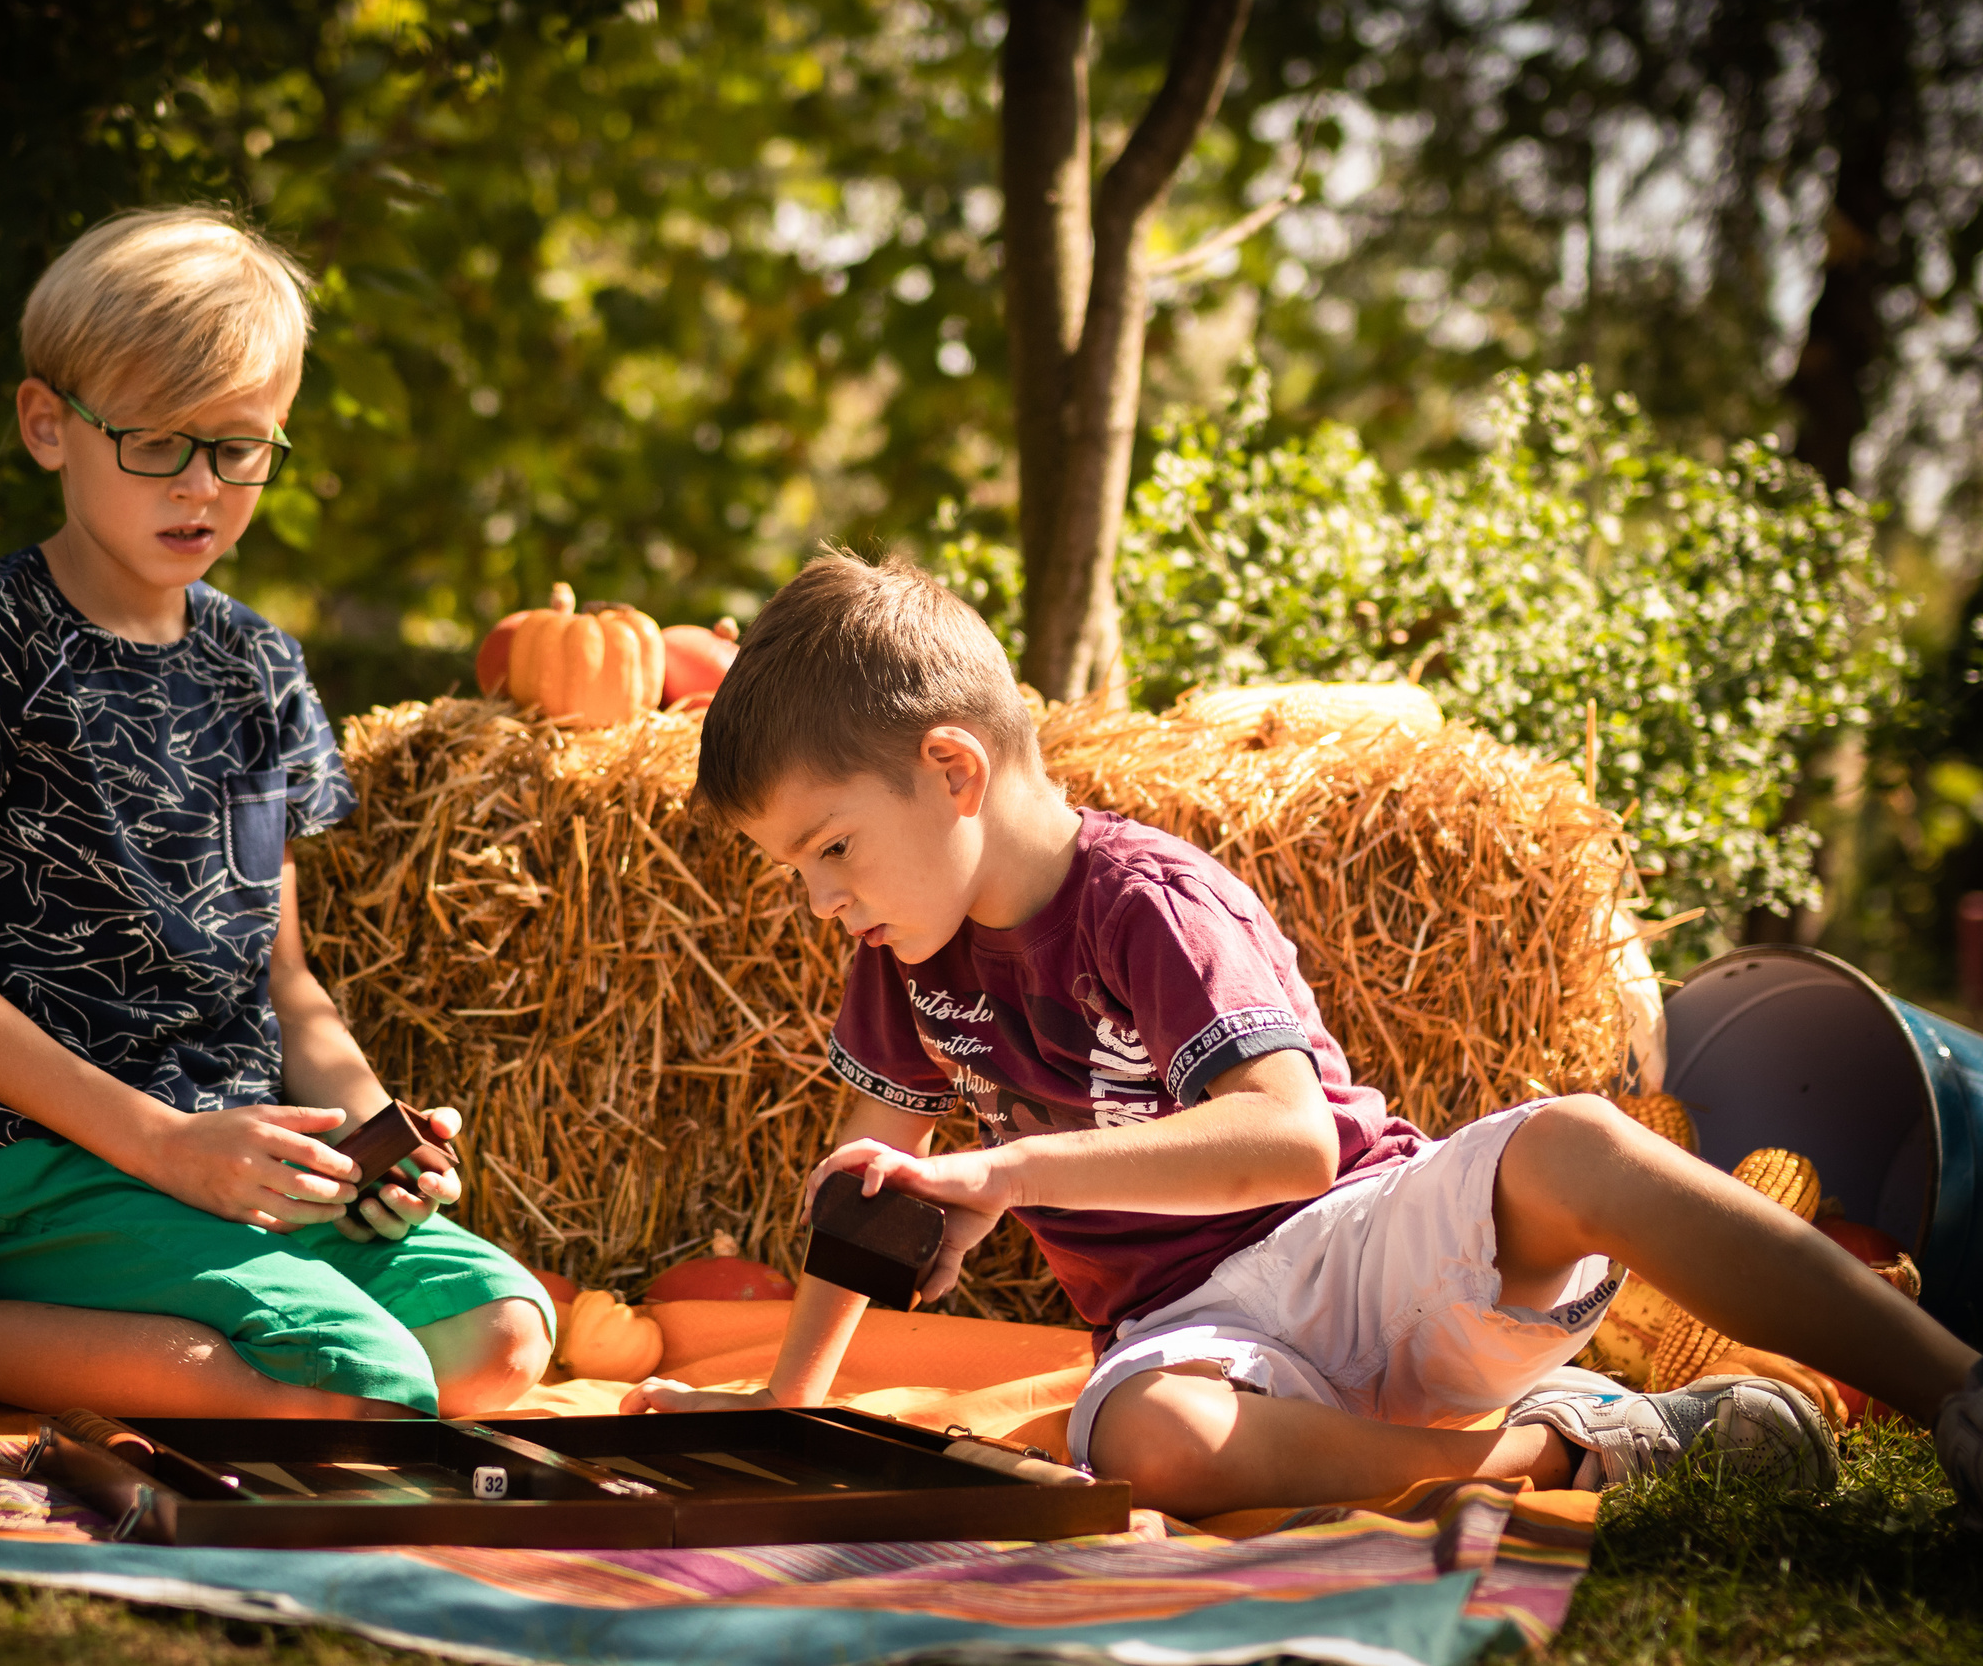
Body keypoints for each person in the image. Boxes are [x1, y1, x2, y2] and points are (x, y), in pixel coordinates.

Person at [624, 551, 1983, 1520]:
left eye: (832, 845)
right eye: (798, 867)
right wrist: (788, 1406)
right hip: (1186, 1328)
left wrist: (1015, 1175)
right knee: (1150, 1441)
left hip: (1359, 1235)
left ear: (954, 769)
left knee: (1574, 1142)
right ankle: (1570, 1456)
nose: (821, 894)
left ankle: (1958, 1387)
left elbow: (1285, 1140)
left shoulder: (1145, 900)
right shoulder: (904, 959)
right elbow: (863, 1202)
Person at [0, 207, 551, 1420]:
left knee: (507, 1340)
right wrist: (159, 1147)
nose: (203, 488)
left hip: (229, 1162)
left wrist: (370, 1131)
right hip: (36, 1161)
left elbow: (285, 983)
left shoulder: (259, 670)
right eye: (159, 444)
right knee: (354, 1389)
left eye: (243, 448)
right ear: (48, 425)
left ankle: (154, 1333)